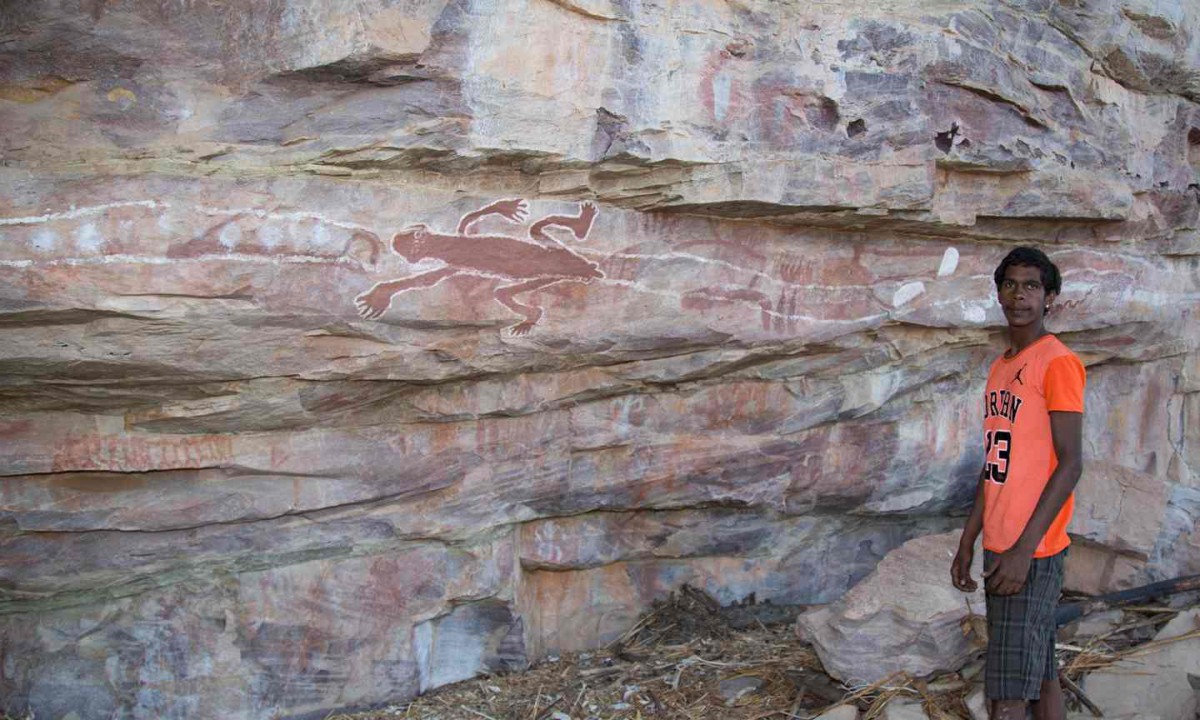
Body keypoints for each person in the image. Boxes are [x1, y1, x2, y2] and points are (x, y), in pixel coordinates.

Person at [951, 247, 1086, 720]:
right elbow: (994, 464)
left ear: (1050, 298)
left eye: (1032, 286)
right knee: (1041, 671)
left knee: (1005, 695)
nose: (1019, 295)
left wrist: (1024, 550)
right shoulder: (1000, 367)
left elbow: (1071, 464)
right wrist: (969, 539)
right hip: (1003, 542)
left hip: (1033, 549)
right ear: (998, 292)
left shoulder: (1057, 362)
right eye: (1010, 284)